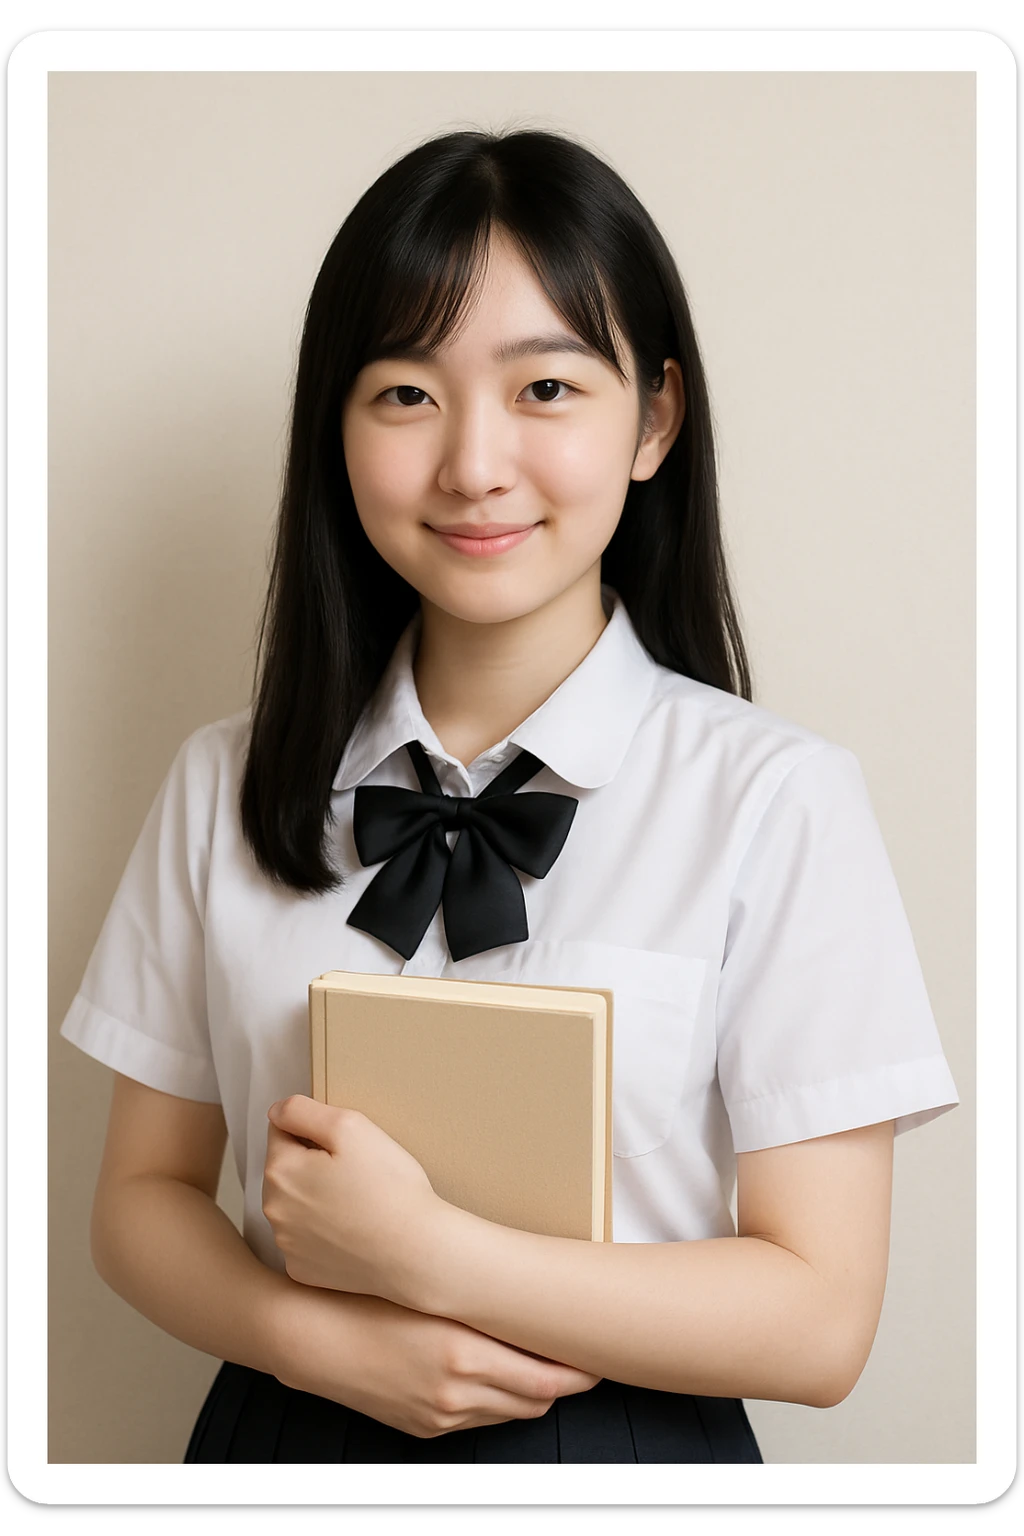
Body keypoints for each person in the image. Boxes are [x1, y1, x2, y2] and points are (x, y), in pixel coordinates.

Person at [60, 128, 959, 1465]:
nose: (474, 464)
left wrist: (430, 1255)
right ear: (338, 425)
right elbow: (138, 1202)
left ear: (654, 418)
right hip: (279, 1443)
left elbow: (820, 1323)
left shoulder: (779, 801)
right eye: (405, 394)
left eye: (544, 388)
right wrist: (321, 1342)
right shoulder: (223, 783)